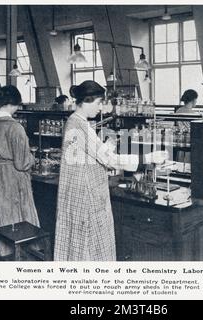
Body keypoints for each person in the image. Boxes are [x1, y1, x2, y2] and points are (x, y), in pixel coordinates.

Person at [54, 80, 168, 261]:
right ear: (87, 100)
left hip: (78, 192)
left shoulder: (75, 122)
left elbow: (90, 154)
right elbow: (111, 161)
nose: (101, 108)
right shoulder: (80, 126)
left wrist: (107, 144)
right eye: (99, 102)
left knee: (78, 247)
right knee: (91, 248)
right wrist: (149, 158)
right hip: (86, 195)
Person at [0, 85, 40, 260]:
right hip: (10, 179)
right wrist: (32, 158)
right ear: (13, 104)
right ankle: (12, 257)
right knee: (12, 221)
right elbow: (22, 163)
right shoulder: (15, 127)